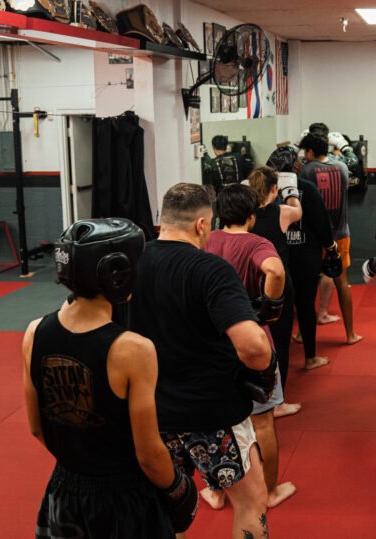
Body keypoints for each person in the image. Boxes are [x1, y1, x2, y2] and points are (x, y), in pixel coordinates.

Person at [23, 218, 197, 538]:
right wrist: (177, 487)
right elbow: (148, 454)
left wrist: (81, 466)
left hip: (64, 490)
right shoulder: (133, 350)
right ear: (116, 274)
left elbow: (37, 427)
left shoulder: (34, 332)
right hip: (125, 497)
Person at [128, 183, 277, 539]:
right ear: (200, 225)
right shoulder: (211, 269)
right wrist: (263, 372)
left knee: (167, 508)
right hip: (213, 413)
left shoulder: (130, 264)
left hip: (151, 413)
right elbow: (254, 347)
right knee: (251, 501)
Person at [204, 183, 297, 511]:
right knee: (262, 422)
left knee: (216, 422)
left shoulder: (208, 241)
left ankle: (217, 492)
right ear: (252, 215)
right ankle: (269, 491)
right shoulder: (257, 242)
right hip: (253, 341)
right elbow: (275, 269)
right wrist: (268, 309)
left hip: (216, 343)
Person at [266, 145, 332, 371]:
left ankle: (274, 359)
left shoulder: (265, 192)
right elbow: (322, 225)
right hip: (305, 254)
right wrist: (330, 246)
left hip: (277, 256)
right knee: (305, 305)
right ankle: (310, 357)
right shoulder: (308, 189)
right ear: (296, 166)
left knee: (277, 310)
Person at [298, 132, 361, 345]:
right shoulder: (342, 168)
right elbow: (353, 164)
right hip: (341, 233)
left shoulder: (306, 171)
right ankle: (350, 334)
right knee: (342, 282)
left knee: (307, 285)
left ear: (310, 152)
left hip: (315, 237)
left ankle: (301, 334)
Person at [247, 166, 303, 393]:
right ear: (273, 189)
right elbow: (298, 211)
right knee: (280, 340)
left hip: (251, 281)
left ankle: (258, 393)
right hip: (278, 282)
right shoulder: (282, 212)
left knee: (254, 337)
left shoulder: (245, 215)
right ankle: (277, 397)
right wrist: (291, 192)